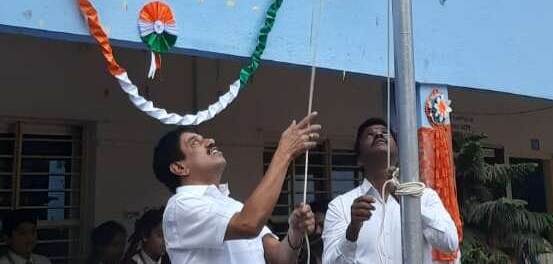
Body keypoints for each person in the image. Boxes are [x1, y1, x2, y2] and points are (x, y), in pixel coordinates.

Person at [153, 113, 320, 264]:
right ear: (179, 168)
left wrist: (295, 233)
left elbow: (279, 257)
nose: (210, 141)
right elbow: (249, 224)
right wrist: (284, 153)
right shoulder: (181, 206)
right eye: (195, 143)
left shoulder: (234, 206)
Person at [321, 117, 459, 264]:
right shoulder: (340, 206)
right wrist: (352, 230)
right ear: (359, 160)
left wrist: (406, 201)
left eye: (385, 132)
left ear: (399, 155)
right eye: (370, 134)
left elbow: (450, 243)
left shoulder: (424, 196)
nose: (379, 135)